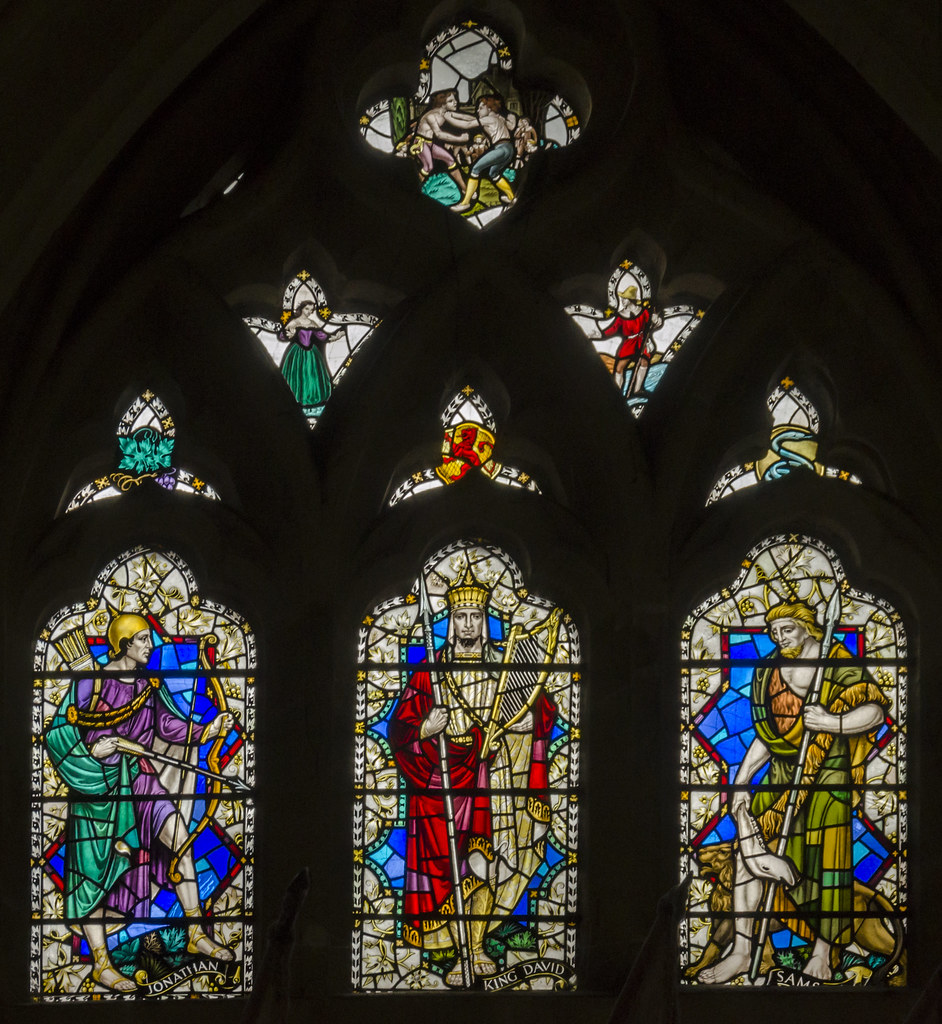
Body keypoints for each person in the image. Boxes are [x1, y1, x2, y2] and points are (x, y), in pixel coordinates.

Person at [700, 601, 889, 984]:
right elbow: (768, 736)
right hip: (783, 773)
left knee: (829, 862)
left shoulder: (836, 659)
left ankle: (822, 952)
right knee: (747, 854)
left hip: (828, 774)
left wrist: (832, 722)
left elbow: (874, 710)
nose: (780, 637)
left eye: (787, 629)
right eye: (774, 632)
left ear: (808, 628)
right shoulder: (770, 670)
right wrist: (742, 779)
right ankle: (741, 950)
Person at [45, 614, 235, 993]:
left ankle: (196, 930)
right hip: (98, 791)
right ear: (123, 645)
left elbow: (166, 726)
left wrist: (206, 731)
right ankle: (101, 964)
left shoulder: (149, 684)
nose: (150, 646)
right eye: (144, 640)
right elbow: (59, 733)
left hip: (140, 778)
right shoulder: (92, 682)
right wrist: (91, 750)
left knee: (180, 838)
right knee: (95, 875)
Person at [389, 567, 556, 986]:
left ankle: (477, 946)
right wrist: (427, 729)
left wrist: (518, 726)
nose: (467, 624)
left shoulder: (505, 666)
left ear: (485, 621)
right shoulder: (431, 671)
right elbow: (400, 729)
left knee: (487, 864)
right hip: (441, 784)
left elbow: (540, 711)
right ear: (450, 622)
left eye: (475, 617)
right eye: (460, 617)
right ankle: (453, 943)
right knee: (451, 866)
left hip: (492, 778)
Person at [588, 284, 662, 395]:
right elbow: (612, 329)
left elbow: (652, 325)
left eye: (624, 299)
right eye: (621, 298)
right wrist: (600, 334)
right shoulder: (621, 315)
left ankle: (637, 390)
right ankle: (617, 393)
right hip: (629, 343)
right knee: (619, 368)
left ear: (631, 299)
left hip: (641, 341)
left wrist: (657, 320)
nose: (621, 301)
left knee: (644, 362)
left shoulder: (644, 312)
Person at [452, 95, 518, 212]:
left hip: (501, 149)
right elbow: (470, 118)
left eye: (481, 107)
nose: (478, 110)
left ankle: (465, 203)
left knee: (475, 169)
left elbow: (467, 124)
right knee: (493, 173)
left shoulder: (489, 119)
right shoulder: (498, 118)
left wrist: (449, 117)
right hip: (509, 149)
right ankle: (512, 198)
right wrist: (455, 114)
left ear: (489, 108)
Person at [409, 90, 476, 188]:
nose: (455, 102)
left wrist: (479, 119)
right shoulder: (431, 116)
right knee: (428, 167)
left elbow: (463, 116)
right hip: (420, 143)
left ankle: (464, 189)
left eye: (455, 99)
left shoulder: (445, 113)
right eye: (451, 101)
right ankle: (414, 189)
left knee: (450, 160)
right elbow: (439, 134)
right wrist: (460, 139)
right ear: (443, 104)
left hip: (429, 143)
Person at [278, 300, 332, 412]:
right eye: (307, 309)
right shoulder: (294, 322)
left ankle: (311, 399)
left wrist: (336, 336)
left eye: (311, 310)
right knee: (297, 375)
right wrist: (289, 334)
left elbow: (322, 336)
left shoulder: (312, 323)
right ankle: (296, 399)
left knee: (312, 375)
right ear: (301, 308)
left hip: (312, 354)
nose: (309, 312)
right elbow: (282, 336)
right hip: (297, 353)